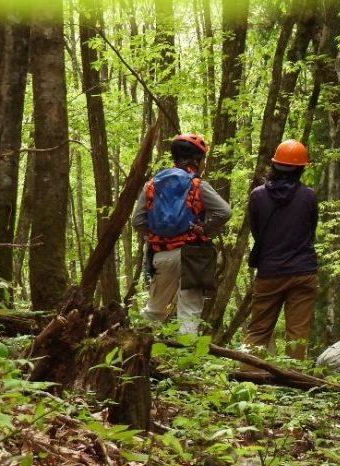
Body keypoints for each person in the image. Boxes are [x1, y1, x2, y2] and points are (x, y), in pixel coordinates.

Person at [131, 133, 232, 335]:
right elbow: (225, 212)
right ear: (196, 160)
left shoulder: (151, 185)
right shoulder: (198, 185)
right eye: (203, 159)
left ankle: (136, 350)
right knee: (189, 312)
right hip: (192, 255)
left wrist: (156, 234)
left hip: (161, 253)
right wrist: (203, 228)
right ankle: (185, 360)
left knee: (154, 309)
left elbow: (137, 221)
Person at [243, 140, 319, 359]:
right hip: (303, 271)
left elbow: (257, 232)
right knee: (297, 334)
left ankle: (246, 378)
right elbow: (310, 230)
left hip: (269, 271)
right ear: (301, 168)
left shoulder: (258, 195)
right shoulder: (309, 196)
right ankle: (293, 383)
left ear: (275, 166)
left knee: (258, 330)